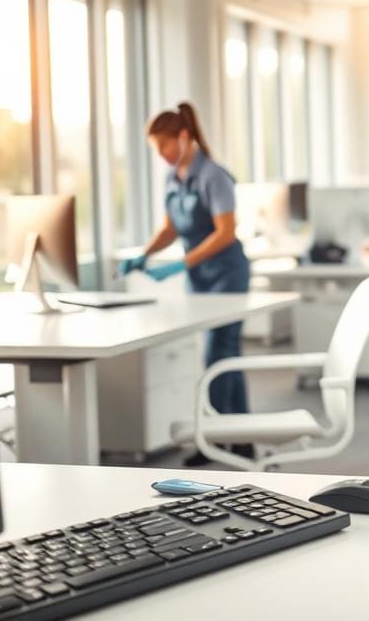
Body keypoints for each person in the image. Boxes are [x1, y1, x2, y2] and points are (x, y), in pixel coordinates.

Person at [118, 101, 252, 466]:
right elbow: (170, 228)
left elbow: (226, 233)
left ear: (183, 136)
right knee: (226, 353)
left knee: (219, 353)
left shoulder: (214, 176)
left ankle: (214, 440)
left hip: (226, 274)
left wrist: (180, 264)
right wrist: (145, 254)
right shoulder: (173, 177)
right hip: (199, 276)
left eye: (164, 145)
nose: (161, 154)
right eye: (156, 149)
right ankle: (242, 439)